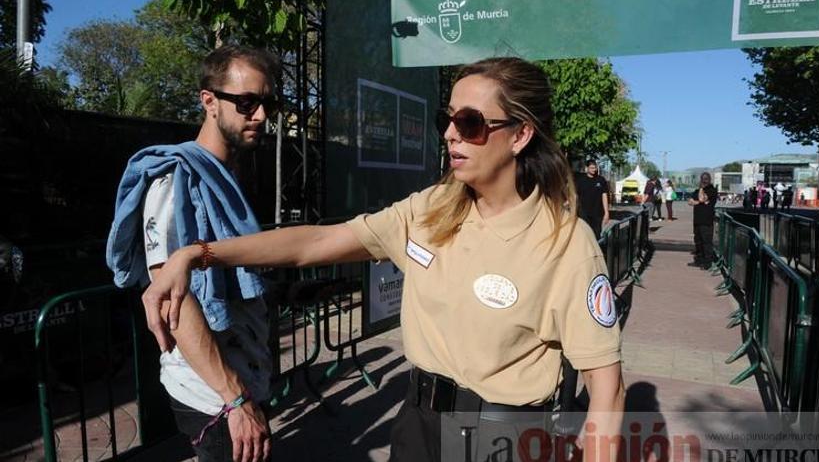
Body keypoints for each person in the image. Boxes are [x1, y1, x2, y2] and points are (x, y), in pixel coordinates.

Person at [140, 58, 625, 462]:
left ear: (519, 135)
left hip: (501, 433)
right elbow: (314, 243)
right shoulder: (432, 209)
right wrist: (197, 255)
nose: (451, 135)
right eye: (447, 119)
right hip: (418, 423)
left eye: (471, 123)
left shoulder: (565, 243)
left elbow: (606, 389)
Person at [106, 45, 279, 462]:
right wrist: (235, 400)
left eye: (267, 103)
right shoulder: (174, 183)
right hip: (214, 394)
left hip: (246, 377)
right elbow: (174, 303)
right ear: (209, 101)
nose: (260, 115)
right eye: (246, 102)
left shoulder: (225, 176)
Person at [687, 172, 718, 269]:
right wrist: (699, 202)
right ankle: (699, 260)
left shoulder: (712, 190)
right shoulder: (697, 190)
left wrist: (700, 195)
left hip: (706, 220)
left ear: (709, 179)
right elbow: (690, 201)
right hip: (697, 220)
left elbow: (701, 198)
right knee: (698, 241)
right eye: (702, 179)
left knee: (706, 242)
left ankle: (707, 262)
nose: (704, 181)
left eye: (706, 179)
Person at [575, 158, 611, 238]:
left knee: (596, 235)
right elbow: (575, 195)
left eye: (595, 168)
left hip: (597, 213)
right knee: (584, 235)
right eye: (592, 168)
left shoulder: (601, 180)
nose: (594, 170)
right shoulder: (580, 180)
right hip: (583, 214)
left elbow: (604, 196)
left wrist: (606, 212)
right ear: (586, 168)